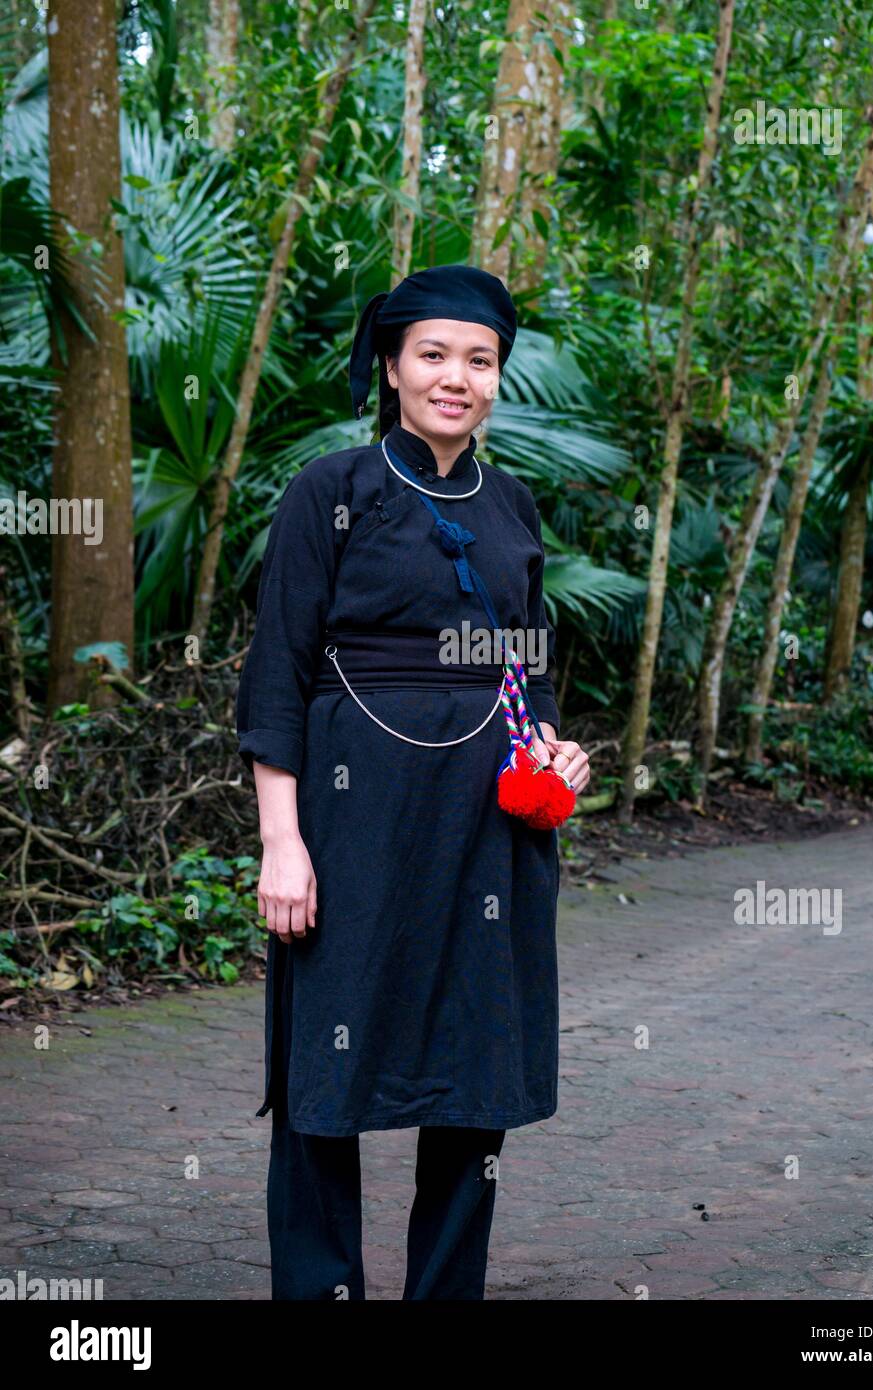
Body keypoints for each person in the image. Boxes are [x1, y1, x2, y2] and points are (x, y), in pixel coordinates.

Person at [236, 263, 591, 1300]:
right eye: (432, 354)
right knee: (323, 1068)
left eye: (478, 360)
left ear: (496, 379)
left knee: (475, 1064)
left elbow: (524, 665)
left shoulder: (514, 504)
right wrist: (282, 839)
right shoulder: (328, 492)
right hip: (353, 819)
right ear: (389, 366)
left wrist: (555, 750)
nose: (456, 378)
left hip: (487, 826)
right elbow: (276, 674)